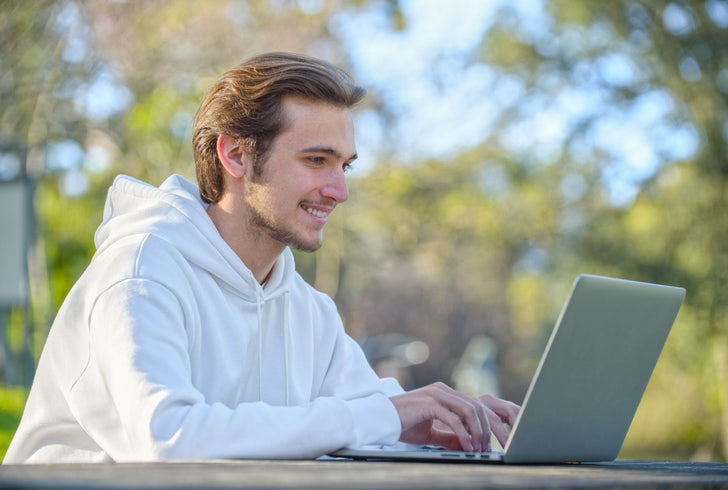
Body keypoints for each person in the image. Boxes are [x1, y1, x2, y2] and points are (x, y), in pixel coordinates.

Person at [4, 52, 519, 463]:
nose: (338, 190)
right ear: (235, 156)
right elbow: (167, 438)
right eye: (316, 160)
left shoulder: (305, 308)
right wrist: (384, 417)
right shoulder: (140, 270)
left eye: (345, 166)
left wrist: (439, 426)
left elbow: (374, 420)